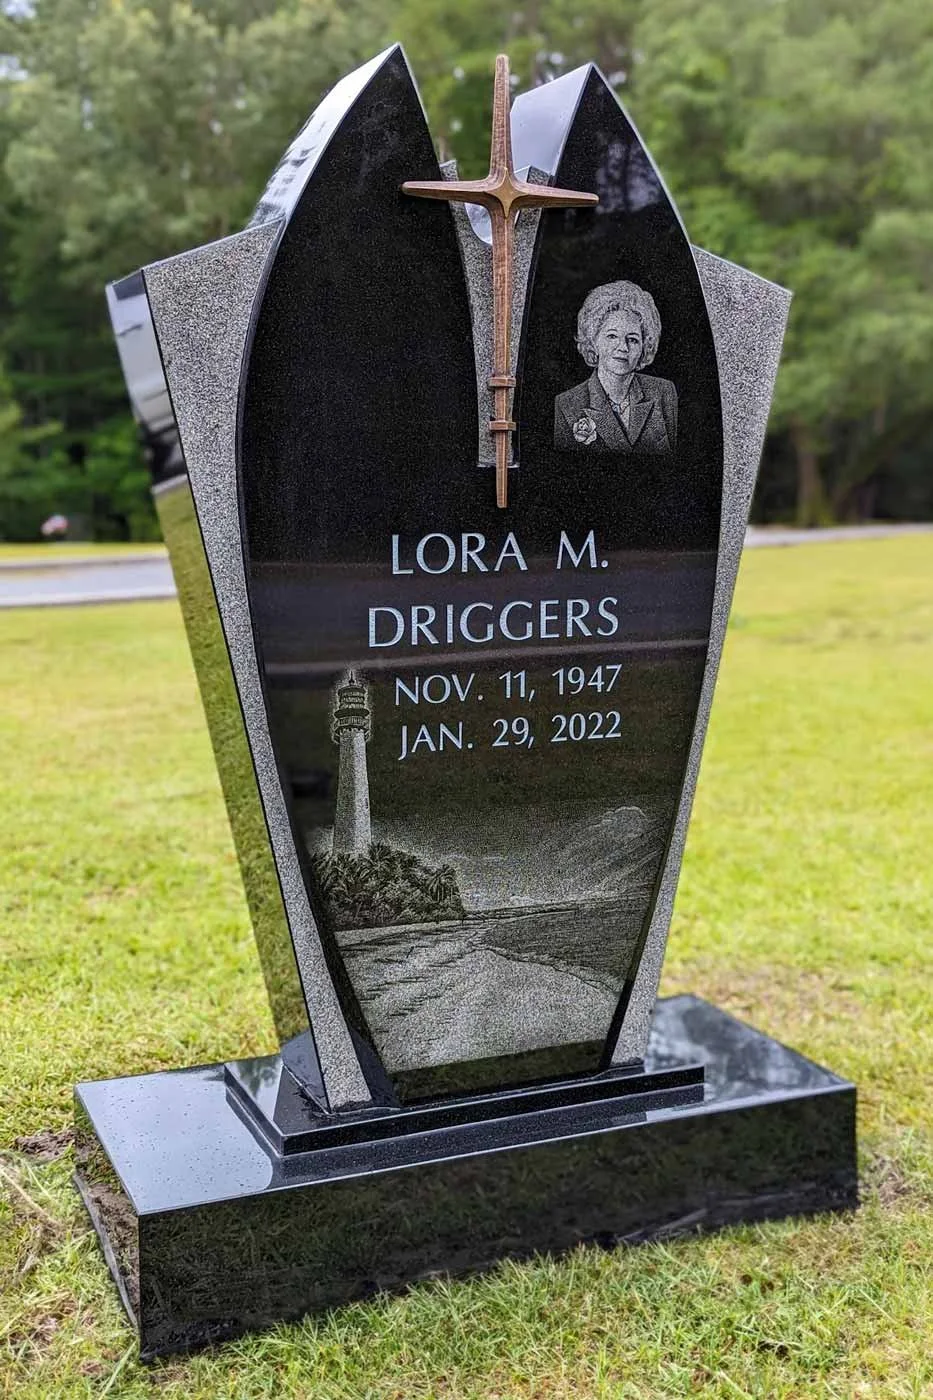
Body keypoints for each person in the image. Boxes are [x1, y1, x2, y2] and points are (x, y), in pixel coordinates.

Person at [554, 280, 677, 454]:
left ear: (644, 346)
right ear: (593, 341)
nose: (623, 348)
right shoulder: (567, 404)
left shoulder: (663, 392)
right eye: (612, 336)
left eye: (633, 339)